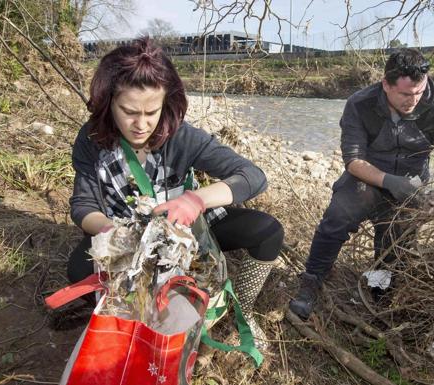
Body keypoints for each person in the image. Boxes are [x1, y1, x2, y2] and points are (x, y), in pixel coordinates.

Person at [67, 37, 283, 349]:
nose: (141, 125)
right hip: (128, 233)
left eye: (151, 112)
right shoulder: (91, 140)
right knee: (78, 269)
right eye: (129, 112)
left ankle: (244, 310)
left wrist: (195, 200)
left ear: (166, 104)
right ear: (108, 102)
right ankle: (130, 313)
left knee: (268, 232)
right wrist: (109, 230)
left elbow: (253, 177)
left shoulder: (181, 136)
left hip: (185, 230)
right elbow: (82, 205)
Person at [289, 48, 434, 320]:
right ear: (386, 84)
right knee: (339, 215)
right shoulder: (360, 104)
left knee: (396, 241)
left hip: (412, 183)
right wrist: (389, 181)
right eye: (405, 94)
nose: (413, 100)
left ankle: (380, 293)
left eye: (419, 92)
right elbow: (353, 161)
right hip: (366, 179)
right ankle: (311, 281)